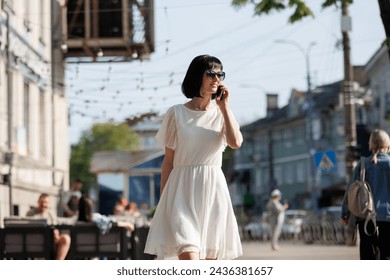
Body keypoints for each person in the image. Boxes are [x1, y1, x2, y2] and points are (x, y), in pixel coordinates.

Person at [144, 54, 243, 260]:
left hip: (213, 193)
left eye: (220, 74)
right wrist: (164, 202)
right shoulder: (176, 113)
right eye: (211, 74)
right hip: (181, 191)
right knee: (189, 257)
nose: (217, 79)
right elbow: (168, 162)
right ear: (198, 76)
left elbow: (236, 143)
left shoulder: (222, 113)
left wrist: (224, 108)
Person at [341, 129, 390, 260]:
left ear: (370, 145)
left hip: (366, 216)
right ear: (388, 146)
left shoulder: (363, 164)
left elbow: (350, 191)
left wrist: (345, 214)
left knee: (369, 256)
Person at [26, 193, 71, 260]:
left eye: (46, 202)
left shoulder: (51, 214)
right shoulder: (31, 213)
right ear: (38, 202)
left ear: (48, 204)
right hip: (36, 239)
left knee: (66, 238)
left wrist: (56, 233)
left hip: (51, 239)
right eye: (42, 202)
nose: (44, 204)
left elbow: (56, 228)